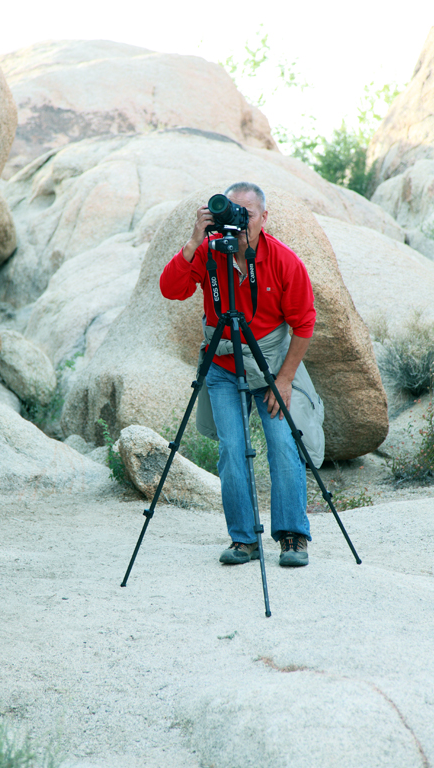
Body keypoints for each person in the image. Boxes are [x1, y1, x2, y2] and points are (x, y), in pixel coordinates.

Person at [159, 182, 316, 567]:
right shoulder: (211, 252)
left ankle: (293, 535)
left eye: (247, 214)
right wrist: (195, 240)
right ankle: (244, 539)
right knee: (232, 450)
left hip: (270, 366)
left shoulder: (283, 261)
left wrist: (284, 378)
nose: (239, 220)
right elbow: (170, 289)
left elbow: (305, 323)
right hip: (223, 365)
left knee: (282, 443)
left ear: (265, 217)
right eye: (232, 212)